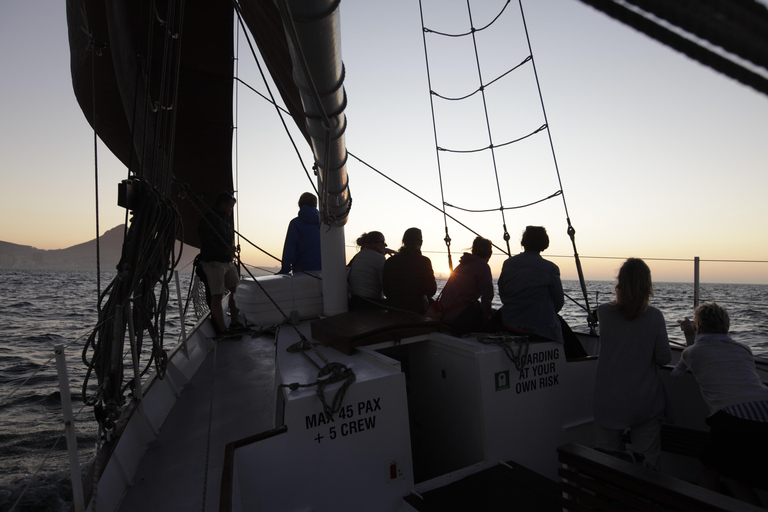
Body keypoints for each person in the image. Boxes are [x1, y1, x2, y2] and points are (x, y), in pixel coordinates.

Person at [672, 303, 768, 505]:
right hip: (764, 409)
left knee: (708, 470)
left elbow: (677, 373)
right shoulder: (743, 348)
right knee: (736, 477)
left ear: (700, 327)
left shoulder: (693, 352)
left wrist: (690, 336)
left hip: (733, 417)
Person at [593, 258, 671, 469]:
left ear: (620, 282)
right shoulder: (654, 316)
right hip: (644, 401)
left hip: (608, 399)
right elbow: (665, 358)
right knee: (647, 462)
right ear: (647, 284)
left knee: (607, 458)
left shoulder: (604, 312)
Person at [495, 226, 586, 358]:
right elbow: (558, 303)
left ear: (524, 242)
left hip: (509, 324)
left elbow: (503, 293)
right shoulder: (550, 268)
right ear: (544, 243)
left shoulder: (508, 264)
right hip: (539, 329)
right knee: (567, 336)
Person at [197, 191, 241, 334]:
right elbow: (207, 243)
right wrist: (224, 251)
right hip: (214, 263)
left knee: (236, 291)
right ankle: (222, 330)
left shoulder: (224, 220)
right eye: (230, 206)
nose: (231, 210)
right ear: (222, 205)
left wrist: (230, 251)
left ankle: (235, 323)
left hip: (227, 262)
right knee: (217, 296)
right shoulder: (208, 219)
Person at [436, 236, 494, 335]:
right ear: (489, 253)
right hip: (458, 319)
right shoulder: (483, 266)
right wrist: (487, 318)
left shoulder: (462, 265)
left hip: (443, 315)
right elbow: (487, 296)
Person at [382, 228, 437, 314]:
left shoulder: (390, 261)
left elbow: (386, 289)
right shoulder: (424, 262)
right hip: (415, 310)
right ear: (420, 242)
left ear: (404, 241)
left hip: (393, 308)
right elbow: (431, 290)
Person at [347, 231, 395, 310]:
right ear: (373, 243)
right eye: (383, 242)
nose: (385, 245)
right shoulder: (379, 258)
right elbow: (385, 284)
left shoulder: (358, 256)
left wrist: (384, 251)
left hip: (354, 301)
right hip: (370, 303)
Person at [277, 192, 321, 275]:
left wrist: (285, 269)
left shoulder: (295, 223)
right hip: (324, 273)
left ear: (300, 204)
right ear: (315, 205)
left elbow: (289, 249)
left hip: (301, 273)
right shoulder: (325, 223)